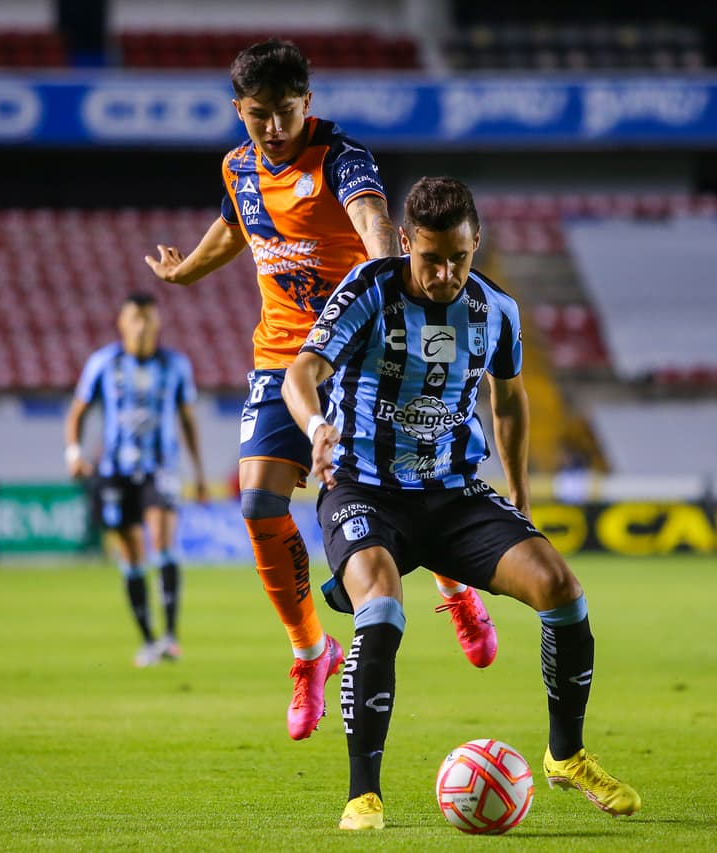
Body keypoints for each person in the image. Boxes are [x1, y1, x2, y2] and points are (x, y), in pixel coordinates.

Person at [145, 38, 497, 741]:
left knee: (404, 483)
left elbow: (372, 222)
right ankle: (310, 652)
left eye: (286, 111)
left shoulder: (343, 159)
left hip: (357, 351)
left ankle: (453, 586)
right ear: (238, 110)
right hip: (282, 359)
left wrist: (389, 281)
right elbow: (235, 230)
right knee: (257, 499)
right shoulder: (237, 167)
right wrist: (186, 273)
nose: (274, 127)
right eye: (258, 115)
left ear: (309, 102)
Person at [282, 177, 642, 830]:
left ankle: (566, 755)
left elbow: (508, 399)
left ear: (476, 242)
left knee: (563, 590)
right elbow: (300, 372)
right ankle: (364, 793)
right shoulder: (368, 291)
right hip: (365, 488)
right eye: (431, 259)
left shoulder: (495, 309)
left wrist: (522, 494)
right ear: (403, 243)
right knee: (382, 605)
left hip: (453, 494)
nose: (446, 273)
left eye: (460, 257)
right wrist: (317, 428)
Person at [65, 293, 207, 667]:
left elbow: (188, 420)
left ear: (158, 323)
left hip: (161, 468)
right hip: (114, 472)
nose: (142, 326)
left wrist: (200, 472)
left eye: (148, 318)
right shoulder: (104, 363)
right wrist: (74, 453)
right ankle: (147, 640)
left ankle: (171, 636)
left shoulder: (175, 365)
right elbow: (78, 412)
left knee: (162, 539)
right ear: (122, 323)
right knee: (130, 555)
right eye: (135, 318)